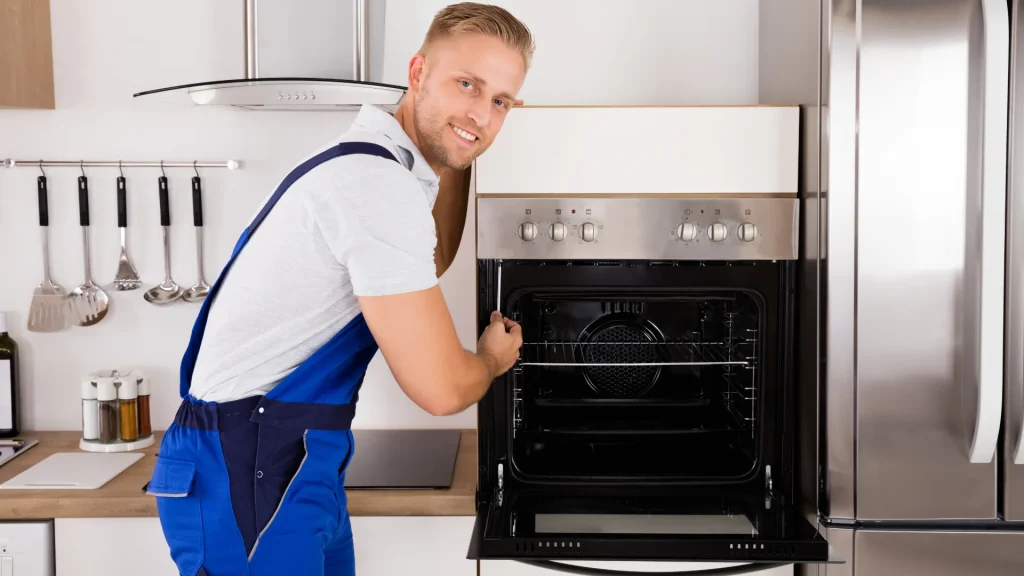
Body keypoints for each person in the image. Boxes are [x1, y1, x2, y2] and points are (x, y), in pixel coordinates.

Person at [145, 4, 534, 575]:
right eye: (467, 84)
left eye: (500, 101)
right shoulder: (376, 187)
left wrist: (459, 137)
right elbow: (442, 390)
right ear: (418, 72)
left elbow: (430, 255)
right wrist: (491, 359)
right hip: (247, 464)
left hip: (293, 460)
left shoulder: (374, 168)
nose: (482, 112)